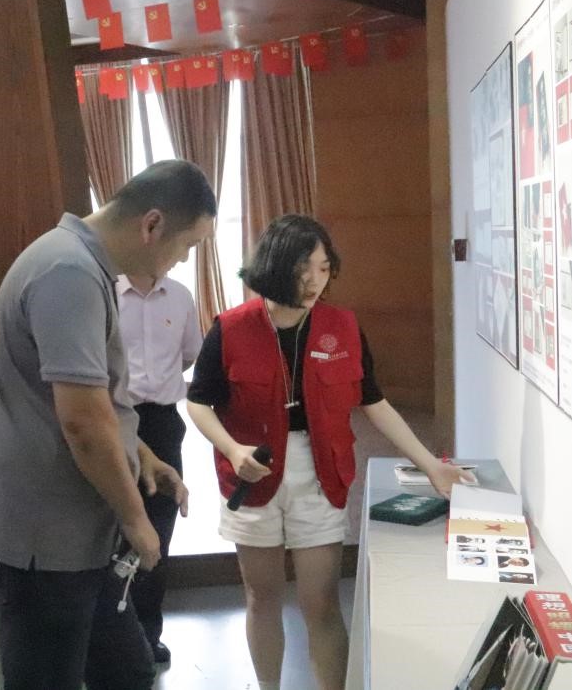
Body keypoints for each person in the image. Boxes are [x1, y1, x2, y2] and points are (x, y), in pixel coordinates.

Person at [0, 160, 215, 690]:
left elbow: (95, 401)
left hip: (70, 536)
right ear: (152, 225)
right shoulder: (68, 271)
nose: (182, 261)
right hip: (40, 539)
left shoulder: (77, 263)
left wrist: (140, 452)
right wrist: (136, 518)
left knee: (127, 673)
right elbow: (82, 421)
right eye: (187, 246)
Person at [185, 214, 471, 690]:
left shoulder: (342, 326)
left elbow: (374, 402)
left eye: (323, 268)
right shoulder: (231, 328)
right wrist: (232, 450)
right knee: (262, 597)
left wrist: (431, 466)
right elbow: (198, 402)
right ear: (276, 268)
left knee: (320, 603)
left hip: (321, 472)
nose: (315, 281)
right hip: (253, 474)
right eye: (303, 270)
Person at [116, 271, 200, 667]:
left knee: (159, 531)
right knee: (112, 527)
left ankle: (147, 635)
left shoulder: (180, 295)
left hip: (163, 423)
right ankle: (111, 638)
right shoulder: (106, 292)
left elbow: (189, 355)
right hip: (113, 418)